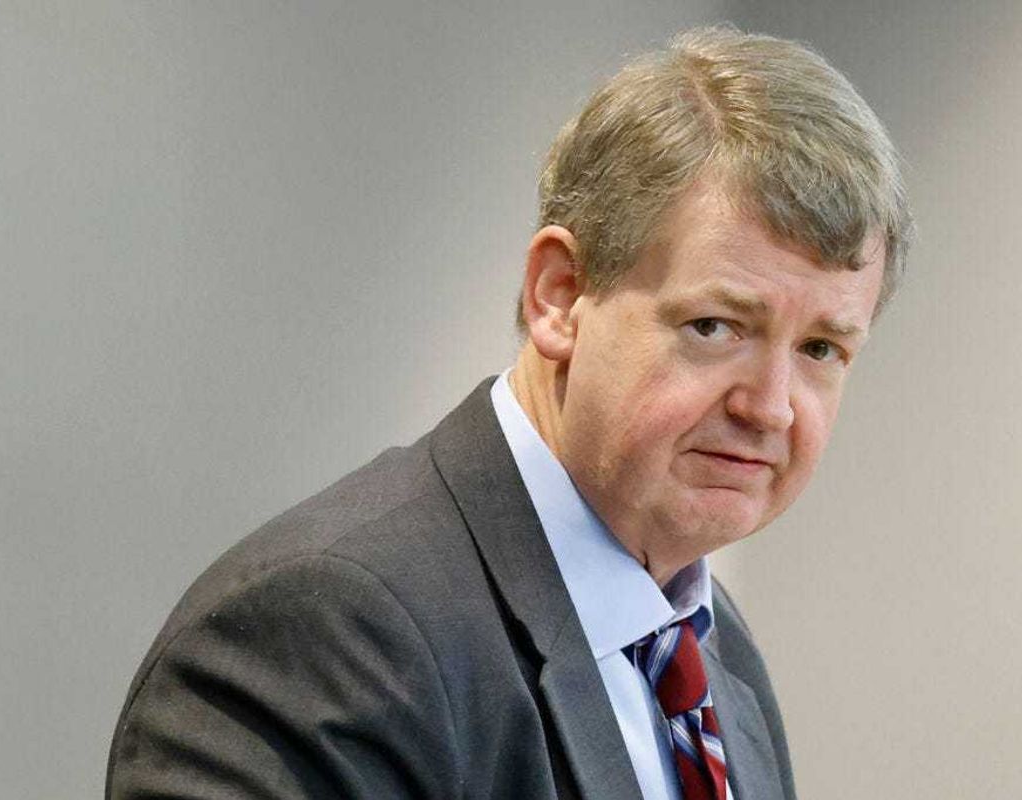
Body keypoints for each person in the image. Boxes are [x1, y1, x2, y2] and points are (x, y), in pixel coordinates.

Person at [107, 26, 912, 800]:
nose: (769, 408)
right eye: (716, 327)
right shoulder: (327, 635)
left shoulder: (713, 650)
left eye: (821, 349)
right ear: (559, 296)